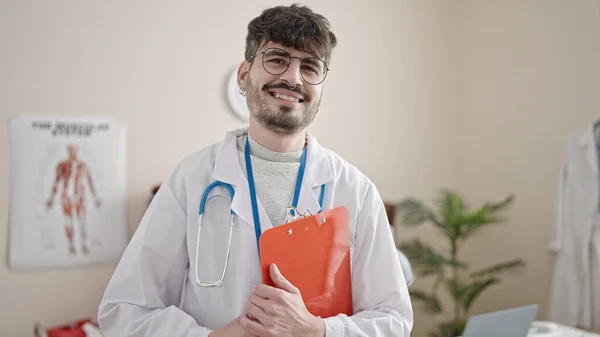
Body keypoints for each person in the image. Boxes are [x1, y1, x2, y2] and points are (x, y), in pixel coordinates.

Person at [97, 4, 413, 337]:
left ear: (321, 87)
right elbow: (125, 309)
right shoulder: (191, 180)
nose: (293, 78)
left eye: (309, 66)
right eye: (277, 59)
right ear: (244, 76)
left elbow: (393, 318)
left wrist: (318, 331)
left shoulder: (356, 191)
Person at [46, 143, 101, 255]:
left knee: (82, 222)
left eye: (74, 150)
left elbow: (90, 182)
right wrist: (51, 198)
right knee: (69, 222)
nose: (73, 153)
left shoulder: (82, 166)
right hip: (67, 196)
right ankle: (71, 246)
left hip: (79, 196)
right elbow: (56, 181)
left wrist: (95, 197)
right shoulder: (62, 165)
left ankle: (84, 244)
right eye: (71, 151)